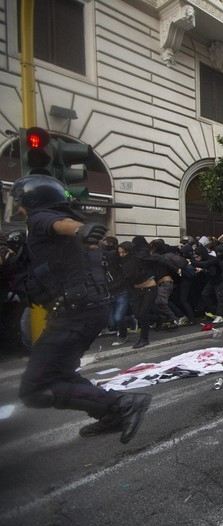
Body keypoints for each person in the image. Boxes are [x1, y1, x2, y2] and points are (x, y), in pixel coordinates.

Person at [11, 175, 150, 443]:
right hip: (84, 310)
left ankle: (122, 405)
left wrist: (80, 229)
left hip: (73, 314)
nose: (17, 209)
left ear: (32, 202)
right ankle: (111, 413)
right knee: (60, 373)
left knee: (34, 389)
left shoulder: (40, 218)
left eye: (20, 203)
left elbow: (62, 225)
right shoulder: (51, 222)